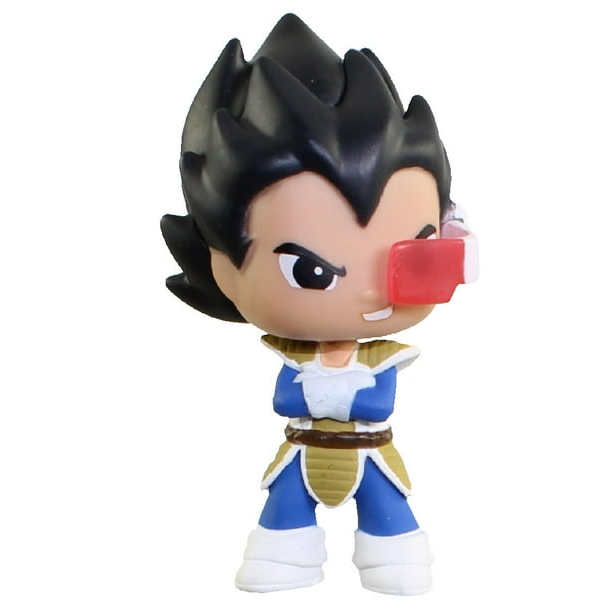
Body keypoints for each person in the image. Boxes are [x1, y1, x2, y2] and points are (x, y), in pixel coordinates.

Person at [161, 13, 476, 595]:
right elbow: (284, 398)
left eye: (413, 250)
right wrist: (337, 393)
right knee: (284, 507)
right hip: (303, 452)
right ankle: (284, 556)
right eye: (312, 271)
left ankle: (393, 554)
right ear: (222, 267)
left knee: (388, 508)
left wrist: (330, 393)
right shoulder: (295, 356)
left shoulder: (382, 358)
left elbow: (378, 402)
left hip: (369, 452)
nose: (370, 290)